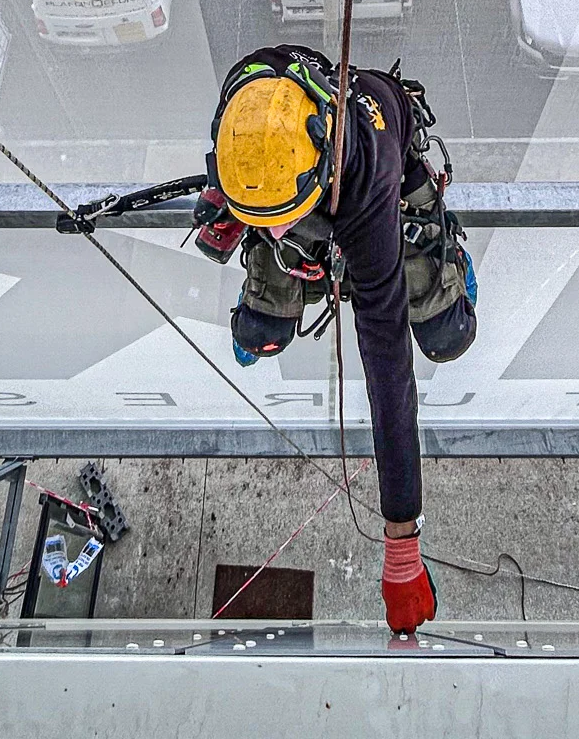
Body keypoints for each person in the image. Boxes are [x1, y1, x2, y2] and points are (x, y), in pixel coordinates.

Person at [193, 45, 477, 636]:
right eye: (264, 219)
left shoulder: (368, 180)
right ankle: (275, 242)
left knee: (445, 336)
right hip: (294, 180)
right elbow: (247, 175)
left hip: (384, 188)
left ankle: (448, 261)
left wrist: (402, 547)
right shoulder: (244, 104)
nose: (271, 231)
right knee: (260, 335)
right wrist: (228, 203)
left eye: (281, 217)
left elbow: (387, 372)